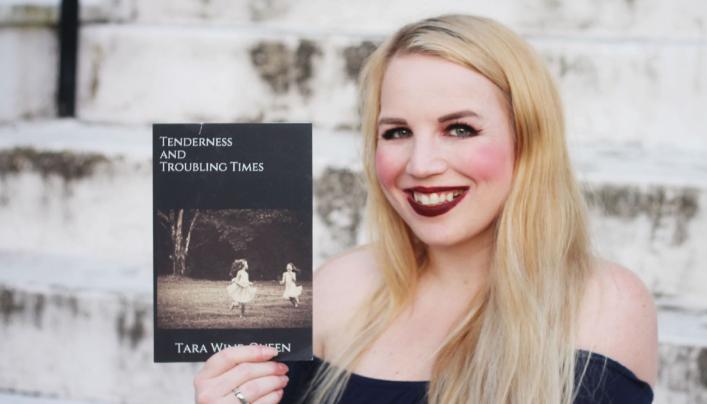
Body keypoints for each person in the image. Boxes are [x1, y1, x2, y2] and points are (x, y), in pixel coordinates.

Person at [194, 14, 658, 404]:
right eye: (396, 132)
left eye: (459, 129)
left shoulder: (605, 303)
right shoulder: (335, 289)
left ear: (528, 140)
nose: (421, 165)